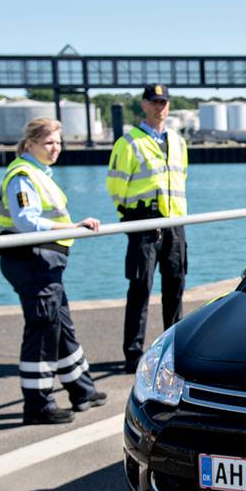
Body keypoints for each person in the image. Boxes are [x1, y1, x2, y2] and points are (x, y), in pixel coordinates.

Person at [0, 118, 107, 424]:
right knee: (43, 330)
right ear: (30, 143)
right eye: (48, 142)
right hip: (31, 260)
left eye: (58, 142)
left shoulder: (40, 173)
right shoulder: (23, 175)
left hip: (46, 262)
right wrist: (72, 226)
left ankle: (81, 389)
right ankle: (38, 405)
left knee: (60, 325)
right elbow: (26, 222)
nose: (55, 147)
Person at [106, 84, 189, 373]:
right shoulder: (128, 143)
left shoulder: (178, 142)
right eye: (154, 102)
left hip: (175, 224)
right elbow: (115, 185)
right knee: (140, 288)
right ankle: (133, 353)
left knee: (175, 286)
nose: (160, 107)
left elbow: (181, 179)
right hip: (144, 225)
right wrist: (130, 218)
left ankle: (175, 347)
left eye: (164, 102)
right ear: (143, 105)